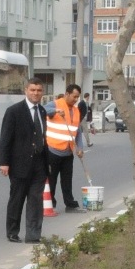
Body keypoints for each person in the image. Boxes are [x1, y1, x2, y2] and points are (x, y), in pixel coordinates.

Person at [0, 79, 49, 243]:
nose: (36, 93)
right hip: (19, 163)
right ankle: (12, 231)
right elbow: (5, 138)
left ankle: (33, 235)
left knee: (36, 199)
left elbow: (43, 136)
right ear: (26, 90)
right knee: (17, 198)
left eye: (39, 90)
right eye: (33, 90)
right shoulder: (14, 111)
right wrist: (4, 162)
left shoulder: (42, 111)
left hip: (39, 163)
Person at [44, 83, 86, 212]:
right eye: (74, 97)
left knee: (67, 181)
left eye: (77, 97)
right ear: (67, 94)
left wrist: (79, 147)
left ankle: (70, 204)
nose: (75, 100)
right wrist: (55, 111)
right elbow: (42, 110)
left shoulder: (76, 110)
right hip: (53, 150)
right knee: (51, 180)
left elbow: (77, 131)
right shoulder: (55, 104)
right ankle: (50, 204)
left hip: (68, 151)